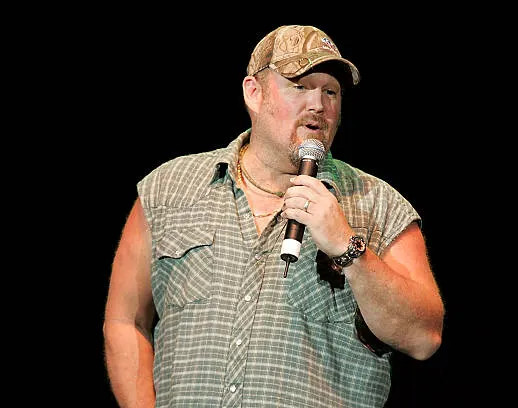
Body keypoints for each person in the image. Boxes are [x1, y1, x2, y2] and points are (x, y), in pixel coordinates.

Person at [103, 24, 445, 408]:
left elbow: (424, 337)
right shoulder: (168, 188)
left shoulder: (378, 205)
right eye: (300, 86)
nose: (318, 105)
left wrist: (348, 248)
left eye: (330, 92)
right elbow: (125, 321)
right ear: (254, 92)